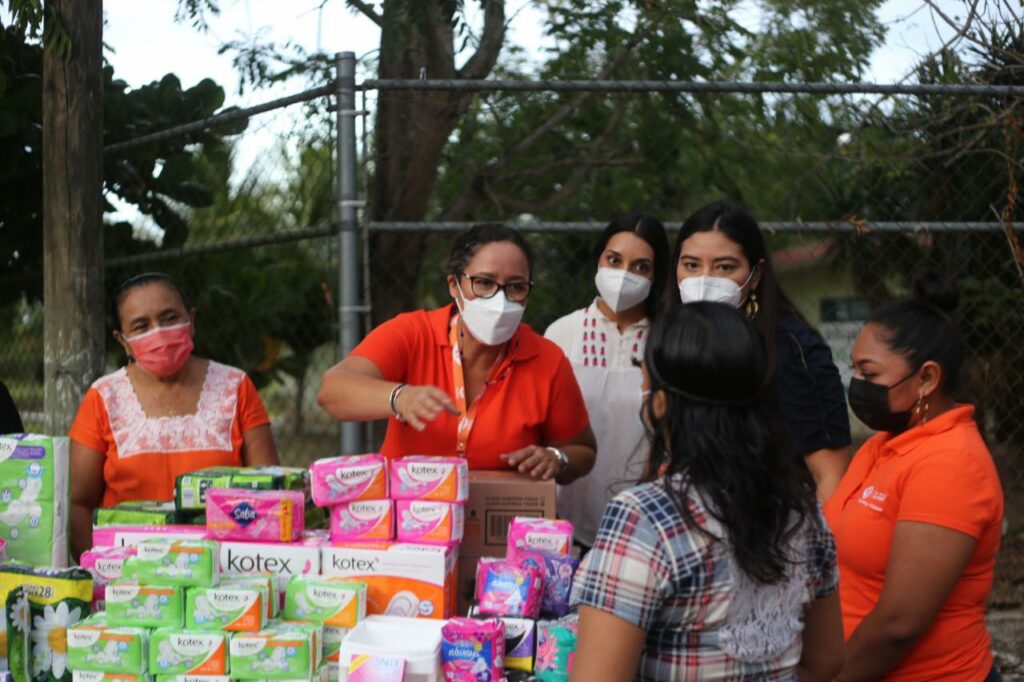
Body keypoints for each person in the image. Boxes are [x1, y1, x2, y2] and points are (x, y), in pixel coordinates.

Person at [570, 302, 843, 682]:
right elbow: (826, 660)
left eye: (645, 382)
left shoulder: (644, 517)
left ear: (661, 403)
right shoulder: (800, 508)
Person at [825, 273, 1004, 682]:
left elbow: (900, 622)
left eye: (870, 374)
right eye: (855, 371)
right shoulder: (881, 446)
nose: (857, 385)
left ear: (926, 379)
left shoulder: (951, 464)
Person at [317, 223, 596, 482]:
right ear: (454, 285)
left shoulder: (547, 360)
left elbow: (583, 451)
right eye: (484, 283)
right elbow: (332, 391)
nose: (500, 300)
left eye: (516, 287)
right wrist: (399, 397)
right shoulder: (413, 333)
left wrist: (558, 458)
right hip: (409, 520)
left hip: (500, 522)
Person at [69, 273, 279, 556]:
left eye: (169, 318)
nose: (158, 332)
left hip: (225, 578)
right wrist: (101, 573)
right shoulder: (104, 398)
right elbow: (78, 504)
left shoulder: (236, 387)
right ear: (123, 341)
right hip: (128, 578)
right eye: (141, 326)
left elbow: (270, 494)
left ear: (191, 321)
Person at [671, 201, 851, 500]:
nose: (704, 280)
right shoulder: (669, 341)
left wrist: (815, 543)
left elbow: (829, 472)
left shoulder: (795, 348)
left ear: (755, 275)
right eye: (691, 265)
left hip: (773, 523)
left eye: (725, 267)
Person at [545, 213, 670, 548]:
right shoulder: (562, 333)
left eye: (641, 267)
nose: (624, 275)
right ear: (599, 258)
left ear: (656, 275)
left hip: (647, 525)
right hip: (565, 520)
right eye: (614, 260)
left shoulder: (668, 341)